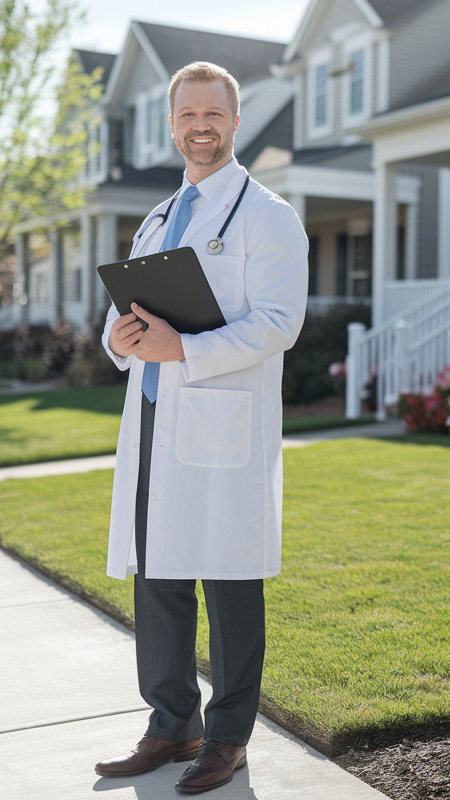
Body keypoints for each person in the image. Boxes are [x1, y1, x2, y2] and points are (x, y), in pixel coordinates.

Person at [92, 61, 307, 794]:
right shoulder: (158, 216)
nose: (200, 127)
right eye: (188, 115)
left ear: (236, 121)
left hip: (221, 426)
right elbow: (123, 320)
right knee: (158, 574)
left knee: (229, 578)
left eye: (214, 114)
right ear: (174, 122)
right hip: (155, 418)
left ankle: (228, 738)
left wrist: (184, 347)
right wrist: (117, 341)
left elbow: (281, 323)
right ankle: (170, 723)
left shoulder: (268, 215)